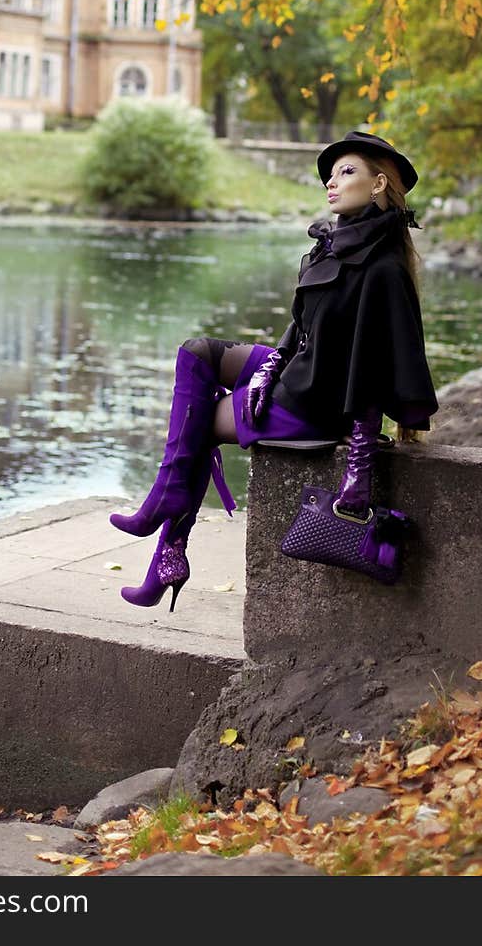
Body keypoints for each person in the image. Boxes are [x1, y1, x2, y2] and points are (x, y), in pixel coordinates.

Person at [109, 130, 438, 610]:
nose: (331, 183)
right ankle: (165, 505)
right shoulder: (335, 246)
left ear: (378, 185)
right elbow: (301, 329)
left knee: (197, 422)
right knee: (197, 353)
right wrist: (271, 367)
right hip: (300, 371)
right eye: (329, 175)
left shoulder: (383, 267)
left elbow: (377, 364)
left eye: (346, 172)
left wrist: (360, 462)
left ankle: (169, 550)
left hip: (317, 401)